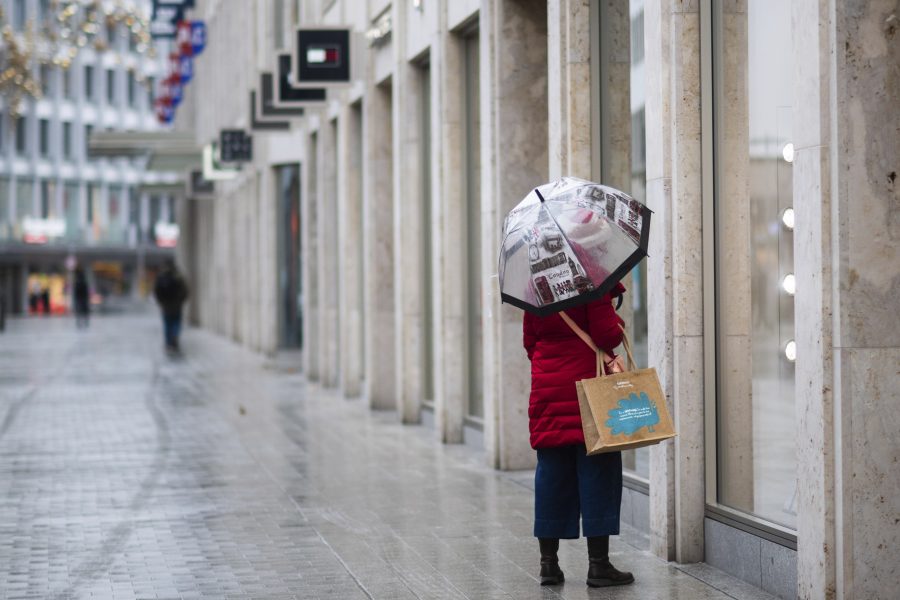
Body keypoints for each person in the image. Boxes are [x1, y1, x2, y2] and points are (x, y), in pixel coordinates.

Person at [522, 281, 634, 588]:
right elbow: (607, 335)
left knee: (551, 476)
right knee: (598, 472)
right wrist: (612, 308)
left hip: (547, 389)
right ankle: (599, 565)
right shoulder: (590, 283)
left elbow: (530, 341)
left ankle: (549, 566)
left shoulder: (536, 287)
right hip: (589, 389)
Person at [153, 259, 189, 353]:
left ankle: (168, 343)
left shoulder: (161, 276)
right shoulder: (178, 276)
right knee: (176, 322)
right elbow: (185, 291)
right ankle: (175, 336)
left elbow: (156, 291)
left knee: (167, 324)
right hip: (177, 305)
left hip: (166, 306)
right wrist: (181, 301)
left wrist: (160, 302)